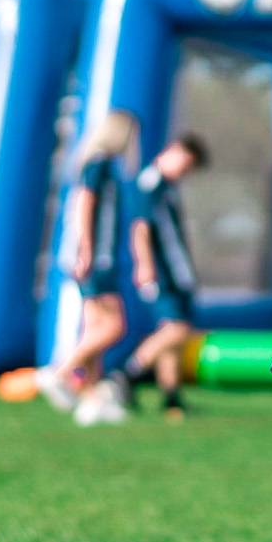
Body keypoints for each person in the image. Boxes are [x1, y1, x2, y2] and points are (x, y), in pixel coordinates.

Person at [38, 110, 132, 421]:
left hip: (90, 255)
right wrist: (88, 249)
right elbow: (85, 202)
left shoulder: (96, 162)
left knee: (93, 329)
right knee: (114, 327)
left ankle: (92, 402)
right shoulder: (100, 163)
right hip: (97, 257)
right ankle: (60, 372)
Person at [109, 130, 208, 421]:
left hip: (177, 273)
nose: (185, 172)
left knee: (172, 333)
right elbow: (140, 228)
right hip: (162, 273)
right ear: (174, 150)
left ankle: (171, 396)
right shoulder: (150, 183)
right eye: (186, 164)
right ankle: (126, 374)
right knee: (177, 330)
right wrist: (145, 264)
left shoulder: (167, 186)